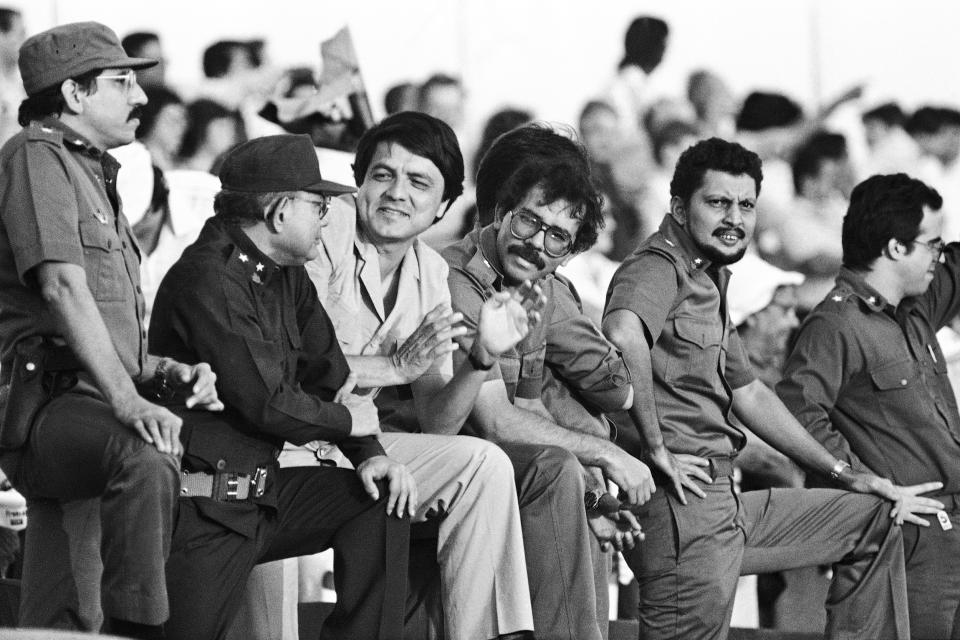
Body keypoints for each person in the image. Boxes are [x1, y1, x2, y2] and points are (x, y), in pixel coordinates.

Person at [601, 137, 943, 640]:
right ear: (678, 207)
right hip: (683, 507)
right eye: (717, 202)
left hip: (724, 502)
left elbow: (751, 393)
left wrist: (846, 473)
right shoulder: (658, 266)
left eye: (746, 205)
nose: (734, 217)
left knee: (875, 515)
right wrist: (655, 447)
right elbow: (623, 332)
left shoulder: (709, 277)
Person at [0, 21, 223, 639]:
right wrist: (131, 404)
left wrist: (161, 373)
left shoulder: (90, 170)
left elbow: (104, 323)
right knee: (148, 457)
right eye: (123, 82)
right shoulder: (35, 157)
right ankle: (140, 633)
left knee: (58, 610)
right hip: (46, 402)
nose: (142, 97)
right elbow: (61, 288)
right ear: (74, 95)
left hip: (86, 399)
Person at [149, 133, 413, 640]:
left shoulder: (284, 272)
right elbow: (266, 404)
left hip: (264, 498)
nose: (327, 219)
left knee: (380, 498)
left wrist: (369, 453)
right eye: (318, 205)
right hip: (205, 511)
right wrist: (348, 420)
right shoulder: (209, 278)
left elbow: (329, 374)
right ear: (277, 212)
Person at [297, 110, 536, 639]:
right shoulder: (322, 227)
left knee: (481, 464)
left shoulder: (430, 271)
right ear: (359, 182)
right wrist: (393, 366)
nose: (396, 193)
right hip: (287, 436)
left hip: (360, 443)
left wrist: (482, 359)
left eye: (418, 182)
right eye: (383, 175)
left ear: (445, 206)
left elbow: (437, 424)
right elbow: (292, 370)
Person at [443, 123, 652, 640]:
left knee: (583, 486)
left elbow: (532, 410)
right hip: (440, 451)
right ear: (501, 212)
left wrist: (595, 497)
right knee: (562, 464)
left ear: (568, 254)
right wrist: (604, 455)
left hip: (504, 465)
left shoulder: (538, 290)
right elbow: (493, 420)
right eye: (529, 222)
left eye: (556, 237)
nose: (537, 245)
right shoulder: (454, 277)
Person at [778, 173, 960, 639]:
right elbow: (797, 409)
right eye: (932, 247)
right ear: (896, 248)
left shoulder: (916, 307)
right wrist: (860, 479)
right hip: (908, 537)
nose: (940, 258)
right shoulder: (835, 324)